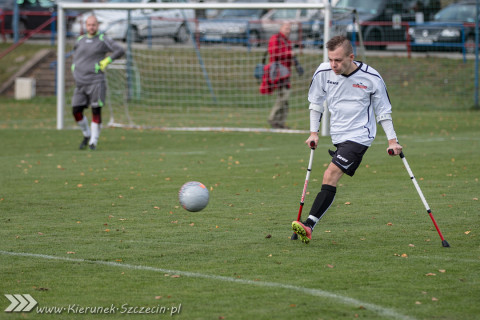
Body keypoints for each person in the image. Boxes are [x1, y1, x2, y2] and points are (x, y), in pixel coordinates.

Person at [291, 35, 403, 244]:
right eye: (331, 59)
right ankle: (309, 225)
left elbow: (383, 111)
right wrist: (313, 132)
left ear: (351, 57)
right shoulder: (323, 72)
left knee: (330, 174)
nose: (333, 64)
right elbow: (316, 102)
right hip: (338, 134)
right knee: (329, 177)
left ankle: (308, 225)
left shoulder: (371, 77)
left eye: (338, 60)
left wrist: (392, 140)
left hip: (360, 135)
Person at [71, 15, 125, 150]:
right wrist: (74, 66)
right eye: (89, 25)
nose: (91, 27)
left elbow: (120, 50)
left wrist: (107, 61)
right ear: (85, 26)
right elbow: (77, 55)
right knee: (76, 110)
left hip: (96, 81)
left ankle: (93, 142)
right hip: (80, 82)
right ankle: (86, 134)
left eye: (94, 25)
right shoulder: (80, 40)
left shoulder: (103, 40)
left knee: (96, 110)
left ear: (97, 26)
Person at [267, 22, 293, 129]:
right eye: (286, 28)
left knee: (285, 98)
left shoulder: (287, 41)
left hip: (286, 73)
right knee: (283, 96)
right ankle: (273, 118)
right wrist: (288, 54)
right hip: (278, 72)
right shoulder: (275, 39)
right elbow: (273, 52)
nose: (288, 30)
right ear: (281, 28)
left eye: (289, 28)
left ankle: (280, 122)